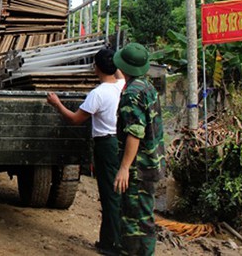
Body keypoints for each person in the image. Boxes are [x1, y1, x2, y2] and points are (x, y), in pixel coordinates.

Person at [46, 48, 125, 256]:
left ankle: (112, 244)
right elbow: (119, 74)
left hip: (105, 145)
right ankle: (112, 240)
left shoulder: (97, 94)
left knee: (109, 194)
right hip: (119, 142)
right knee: (117, 192)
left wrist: (57, 104)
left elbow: (74, 119)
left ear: (95, 68)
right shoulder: (121, 86)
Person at [112, 43, 165, 256]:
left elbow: (135, 132)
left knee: (133, 220)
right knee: (144, 218)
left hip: (137, 168)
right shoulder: (147, 88)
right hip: (151, 163)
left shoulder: (132, 94)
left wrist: (124, 167)